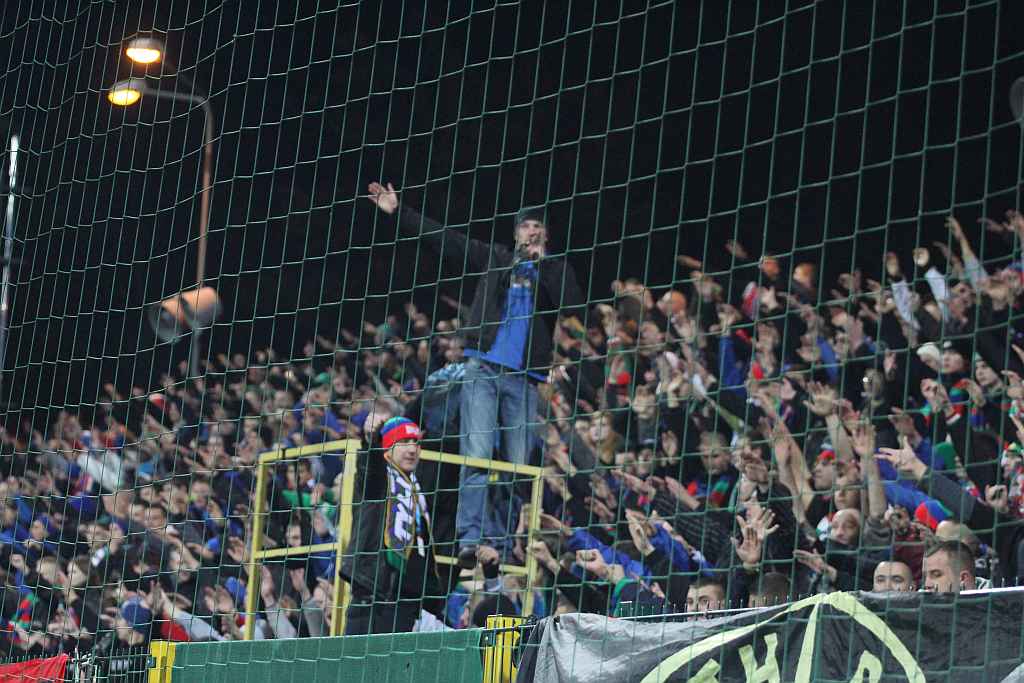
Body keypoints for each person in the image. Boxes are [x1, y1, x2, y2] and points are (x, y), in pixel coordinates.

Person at [366, 181, 586, 568]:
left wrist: (542, 264)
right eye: (525, 226)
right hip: (483, 369)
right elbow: (447, 240)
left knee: (519, 466)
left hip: (525, 379)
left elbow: (571, 303)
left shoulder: (555, 269)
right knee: (478, 457)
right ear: (515, 233)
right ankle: (472, 539)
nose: (531, 232)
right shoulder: (497, 258)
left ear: (545, 235)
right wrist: (400, 212)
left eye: (537, 227)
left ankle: (500, 544)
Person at [339, 417, 444, 634]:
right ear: (387, 445)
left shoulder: (417, 491)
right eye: (404, 441)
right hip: (374, 601)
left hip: (410, 606)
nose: (412, 449)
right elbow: (371, 468)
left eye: (416, 442)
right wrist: (370, 440)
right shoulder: (377, 483)